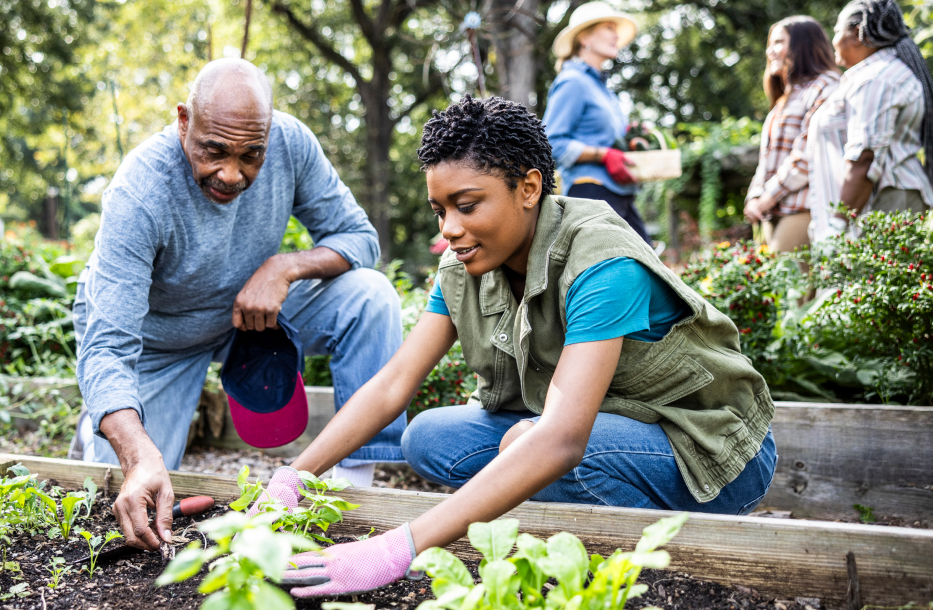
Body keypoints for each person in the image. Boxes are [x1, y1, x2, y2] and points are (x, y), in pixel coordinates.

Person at [255, 96, 777, 599]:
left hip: (708, 451)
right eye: (440, 210)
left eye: (467, 206)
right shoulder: (465, 265)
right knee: (429, 437)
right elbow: (394, 384)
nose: (449, 230)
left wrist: (398, 547)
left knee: (532, 444)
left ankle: (665, 554)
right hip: (607, 429)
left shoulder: (601, 259)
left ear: (529, 187)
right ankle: (567, 518)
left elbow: (561, 441)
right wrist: (293, 477)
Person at [71, 58, 406, 551]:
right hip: (157, 341)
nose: (232, 173)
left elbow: (358, 237)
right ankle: (97, 431)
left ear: (269, 134)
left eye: (252, 155)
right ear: (184, 122)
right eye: (215, 151)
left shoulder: (291, 143)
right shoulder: (140, 190)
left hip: (250, 317)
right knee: (128, 503)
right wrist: (138, 453)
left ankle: (355, 490)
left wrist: (284, 267)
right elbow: (105, 348)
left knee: (371, 295)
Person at [808, 0, 933, 244]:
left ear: (855, 35)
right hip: (886, 199)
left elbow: (865, 157)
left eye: (836, 31)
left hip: (887, 201)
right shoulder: (883, 73)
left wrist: (837, 224)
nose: (833, 40)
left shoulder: (875, 80)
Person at [542, 1, 653, 245]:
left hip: (619, 194)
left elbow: (607, 138)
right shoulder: (572, 82)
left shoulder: (602, 89)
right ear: (584, 37)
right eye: (608, 27)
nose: (616, 35)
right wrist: (603, 155)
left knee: (649, 266)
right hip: (590, 194)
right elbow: (550, 144)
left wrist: (630, 143)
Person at [744, 16, 840, 254]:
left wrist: (768, 197)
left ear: (803, 45)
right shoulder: (784, 99)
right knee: (772, 287)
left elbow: (807, 154)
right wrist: (754, 197)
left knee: (790, 290)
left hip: (803, 208)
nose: (770, 51)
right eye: (770, 44)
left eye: (778, 43)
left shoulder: (825, 87)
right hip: (772, 209)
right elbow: (767, 161)